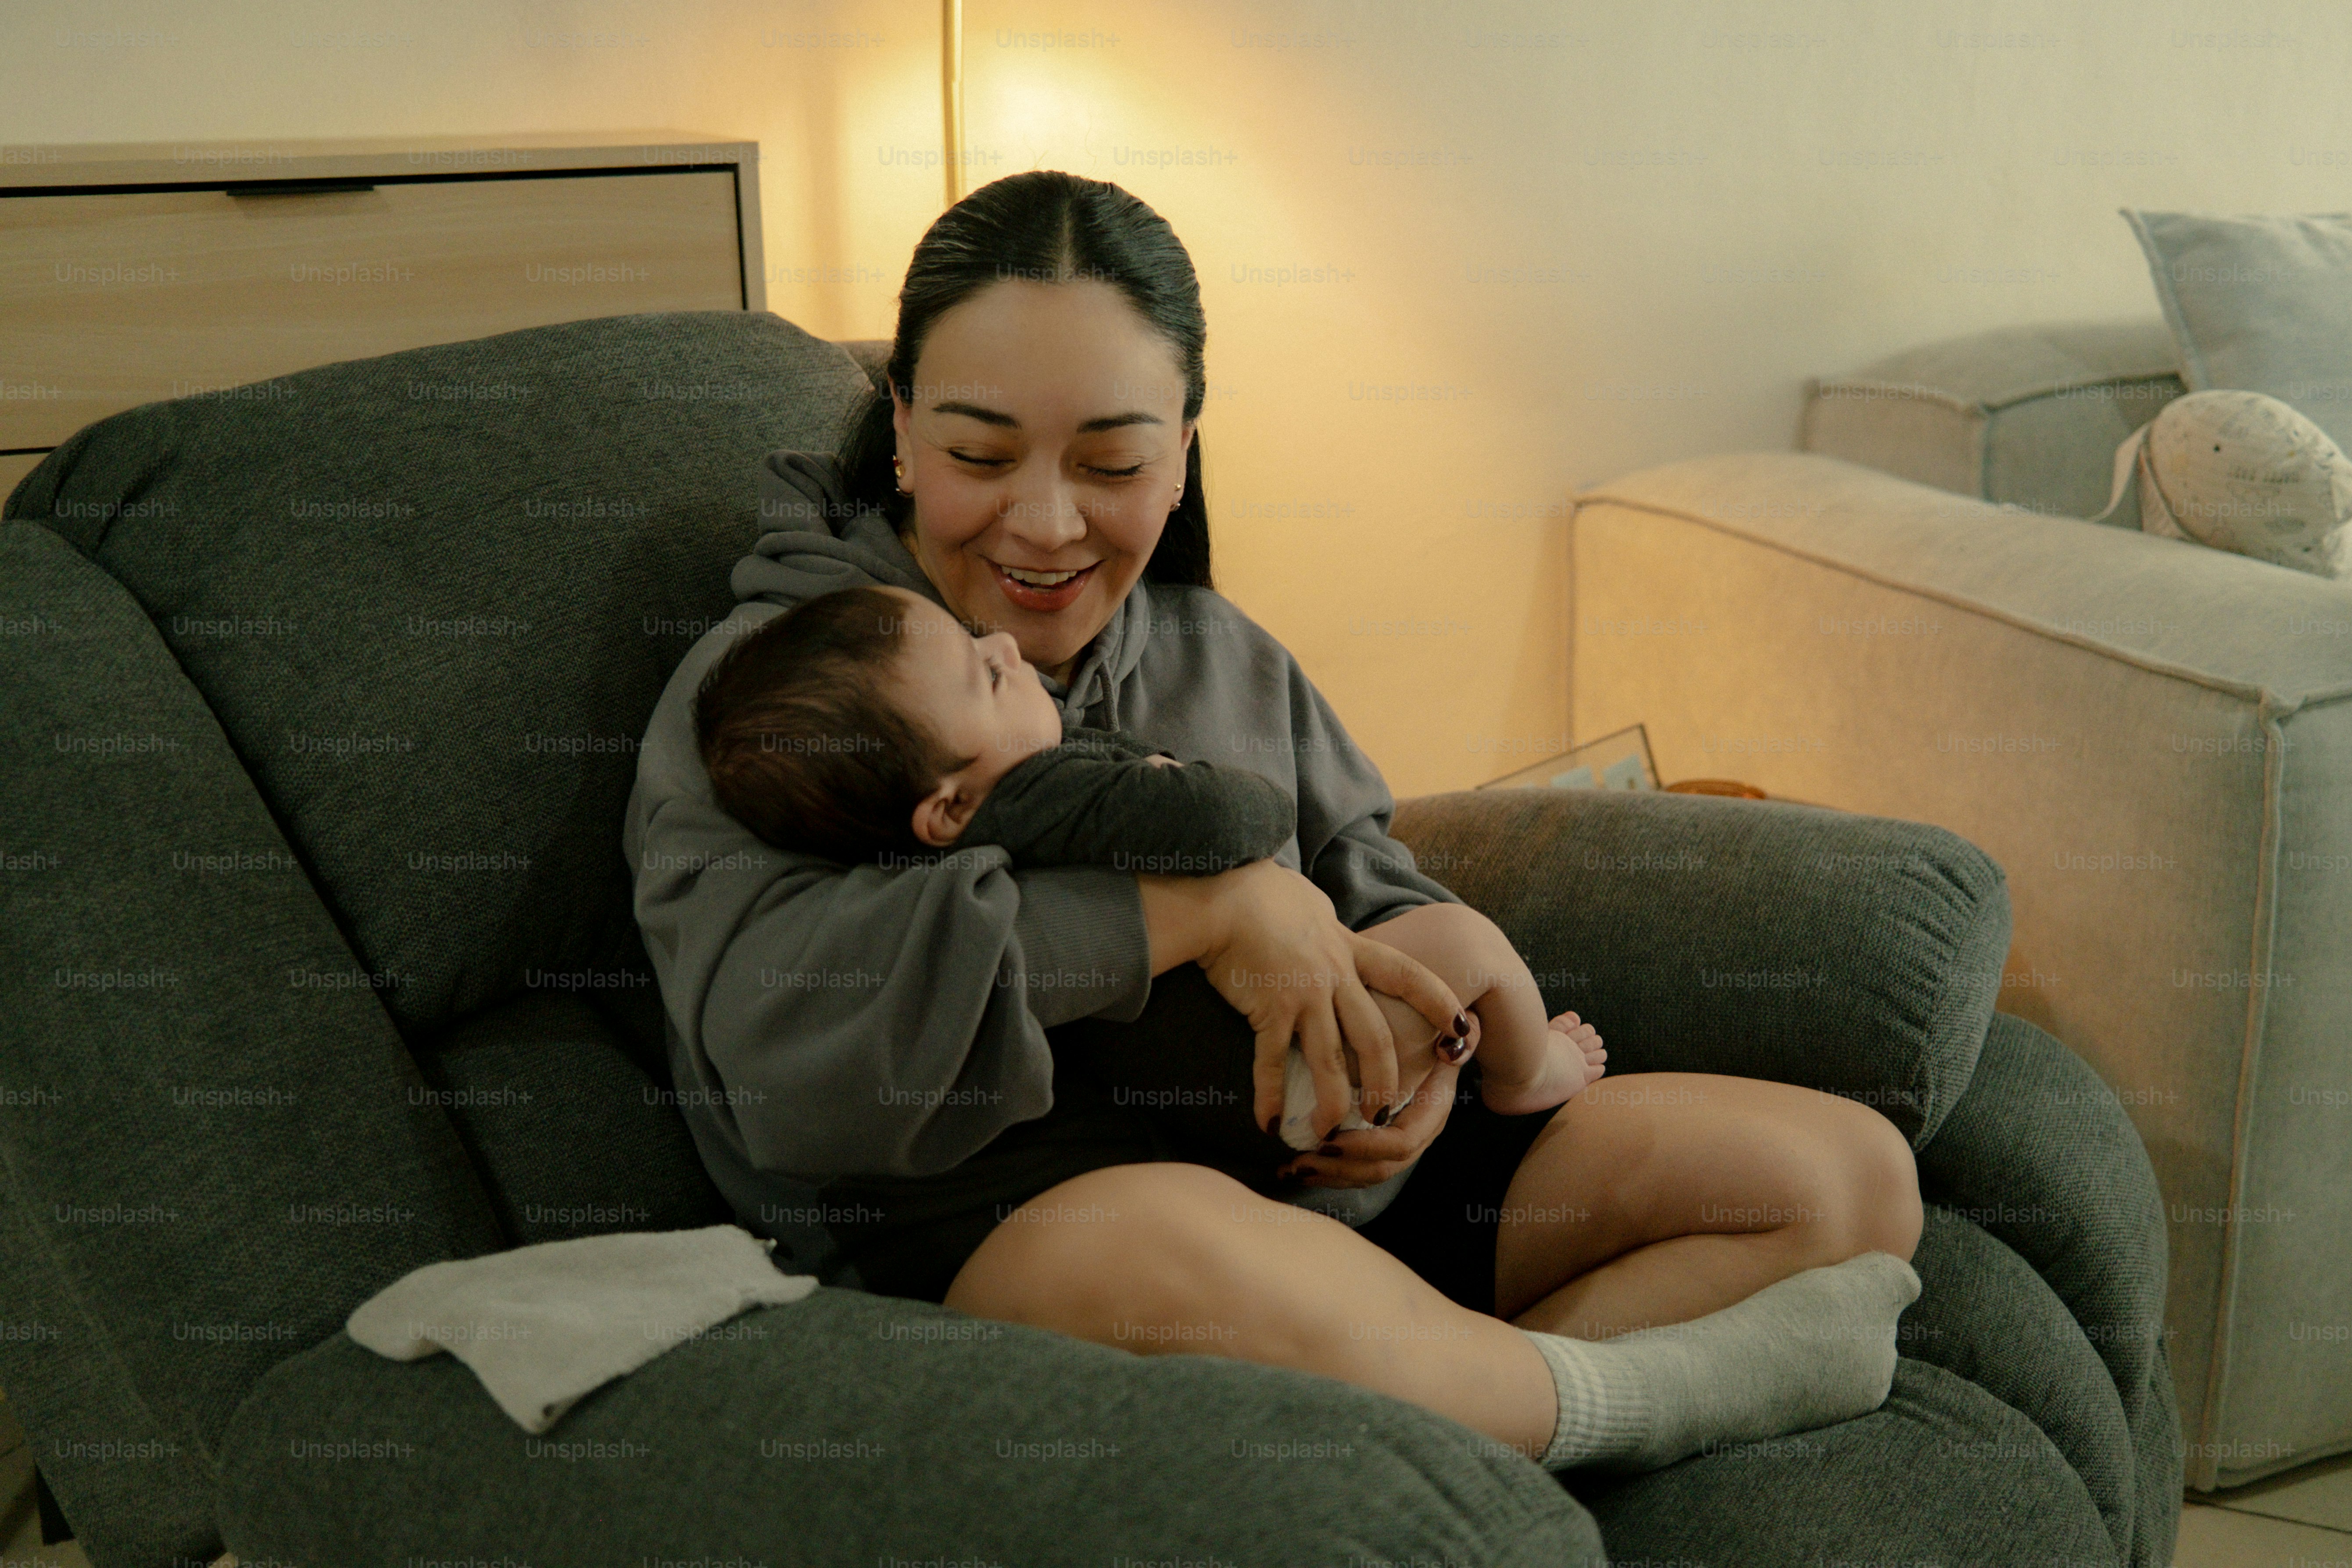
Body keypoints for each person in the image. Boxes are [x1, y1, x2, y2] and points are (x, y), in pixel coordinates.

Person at [625, 169, 1924, 1472]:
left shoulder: (1215, 651)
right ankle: (1611, 1403)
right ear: (900, 429)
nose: (1045, 520)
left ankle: (1444, 1405)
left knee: (1846, 1181)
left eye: (1113, 461)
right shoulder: (785, 687)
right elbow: (785, 1046)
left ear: (1184, 449)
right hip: (1036, 1234)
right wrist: (1206, 911)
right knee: (1177, 1248)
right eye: (977, 454)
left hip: (1329, 1187)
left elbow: (1373, 880)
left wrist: (1431, 1040)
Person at [686, 579, 1606, 1194]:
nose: (1006, 642)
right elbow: (1237, 821)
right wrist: (1185, 784)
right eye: (987, 672)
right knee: (1467, 941)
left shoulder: (956, 838)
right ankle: (1529, 1072)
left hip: (1230, 1114)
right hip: (1274, 1070)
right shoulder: (1044, 794)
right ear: (946, 807)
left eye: (981, 641)